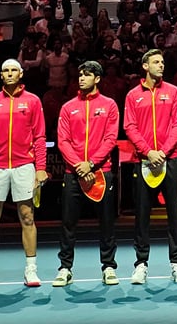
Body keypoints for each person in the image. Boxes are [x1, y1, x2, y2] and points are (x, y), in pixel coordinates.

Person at [124, 49, 177, 284]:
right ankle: (141, 264)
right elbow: (129, 126)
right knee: (142, 215)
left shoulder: (173, 92)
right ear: (145, 66)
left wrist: (162, 151)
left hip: (170, 160)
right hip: (142, 160)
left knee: (175, 214)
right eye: (156, 62)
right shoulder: (133, 95)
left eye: (162, 62)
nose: (161, 65)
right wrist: (148, 151)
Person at [53, 61, 120, 287]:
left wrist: (90, 164)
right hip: (73, 173)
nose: (81, 78)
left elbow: (110, 138)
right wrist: (78, 165)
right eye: (80, 74)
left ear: (97, 79)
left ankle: (108, 266)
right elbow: (63, 140)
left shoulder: (109, 105)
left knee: (107, 222)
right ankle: (65, 268)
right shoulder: (68, 107)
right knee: (68, 223)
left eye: (87, 75)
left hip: (102, 172)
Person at [0, 59, 48, 286]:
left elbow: (39, 137)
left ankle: (31, 269)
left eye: (13, 70)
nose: (9, 74)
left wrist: (41, 168)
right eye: (5, 71)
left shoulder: (33, 101)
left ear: (20, 74)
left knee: (27, 216)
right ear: (1, 75)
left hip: (24, 165)